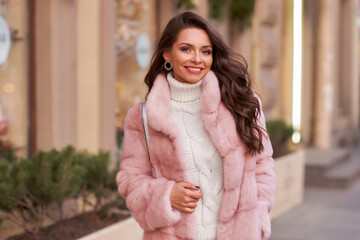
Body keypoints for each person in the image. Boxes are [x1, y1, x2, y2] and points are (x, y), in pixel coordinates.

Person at [116, 12, 275, 240]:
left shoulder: (239, 102)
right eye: (186, 49)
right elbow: (130, 180)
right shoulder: (143, 116)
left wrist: (258, 217)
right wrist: (166, 195)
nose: (197, 59)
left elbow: (262, 167)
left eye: (206, 51)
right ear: (167, 54)